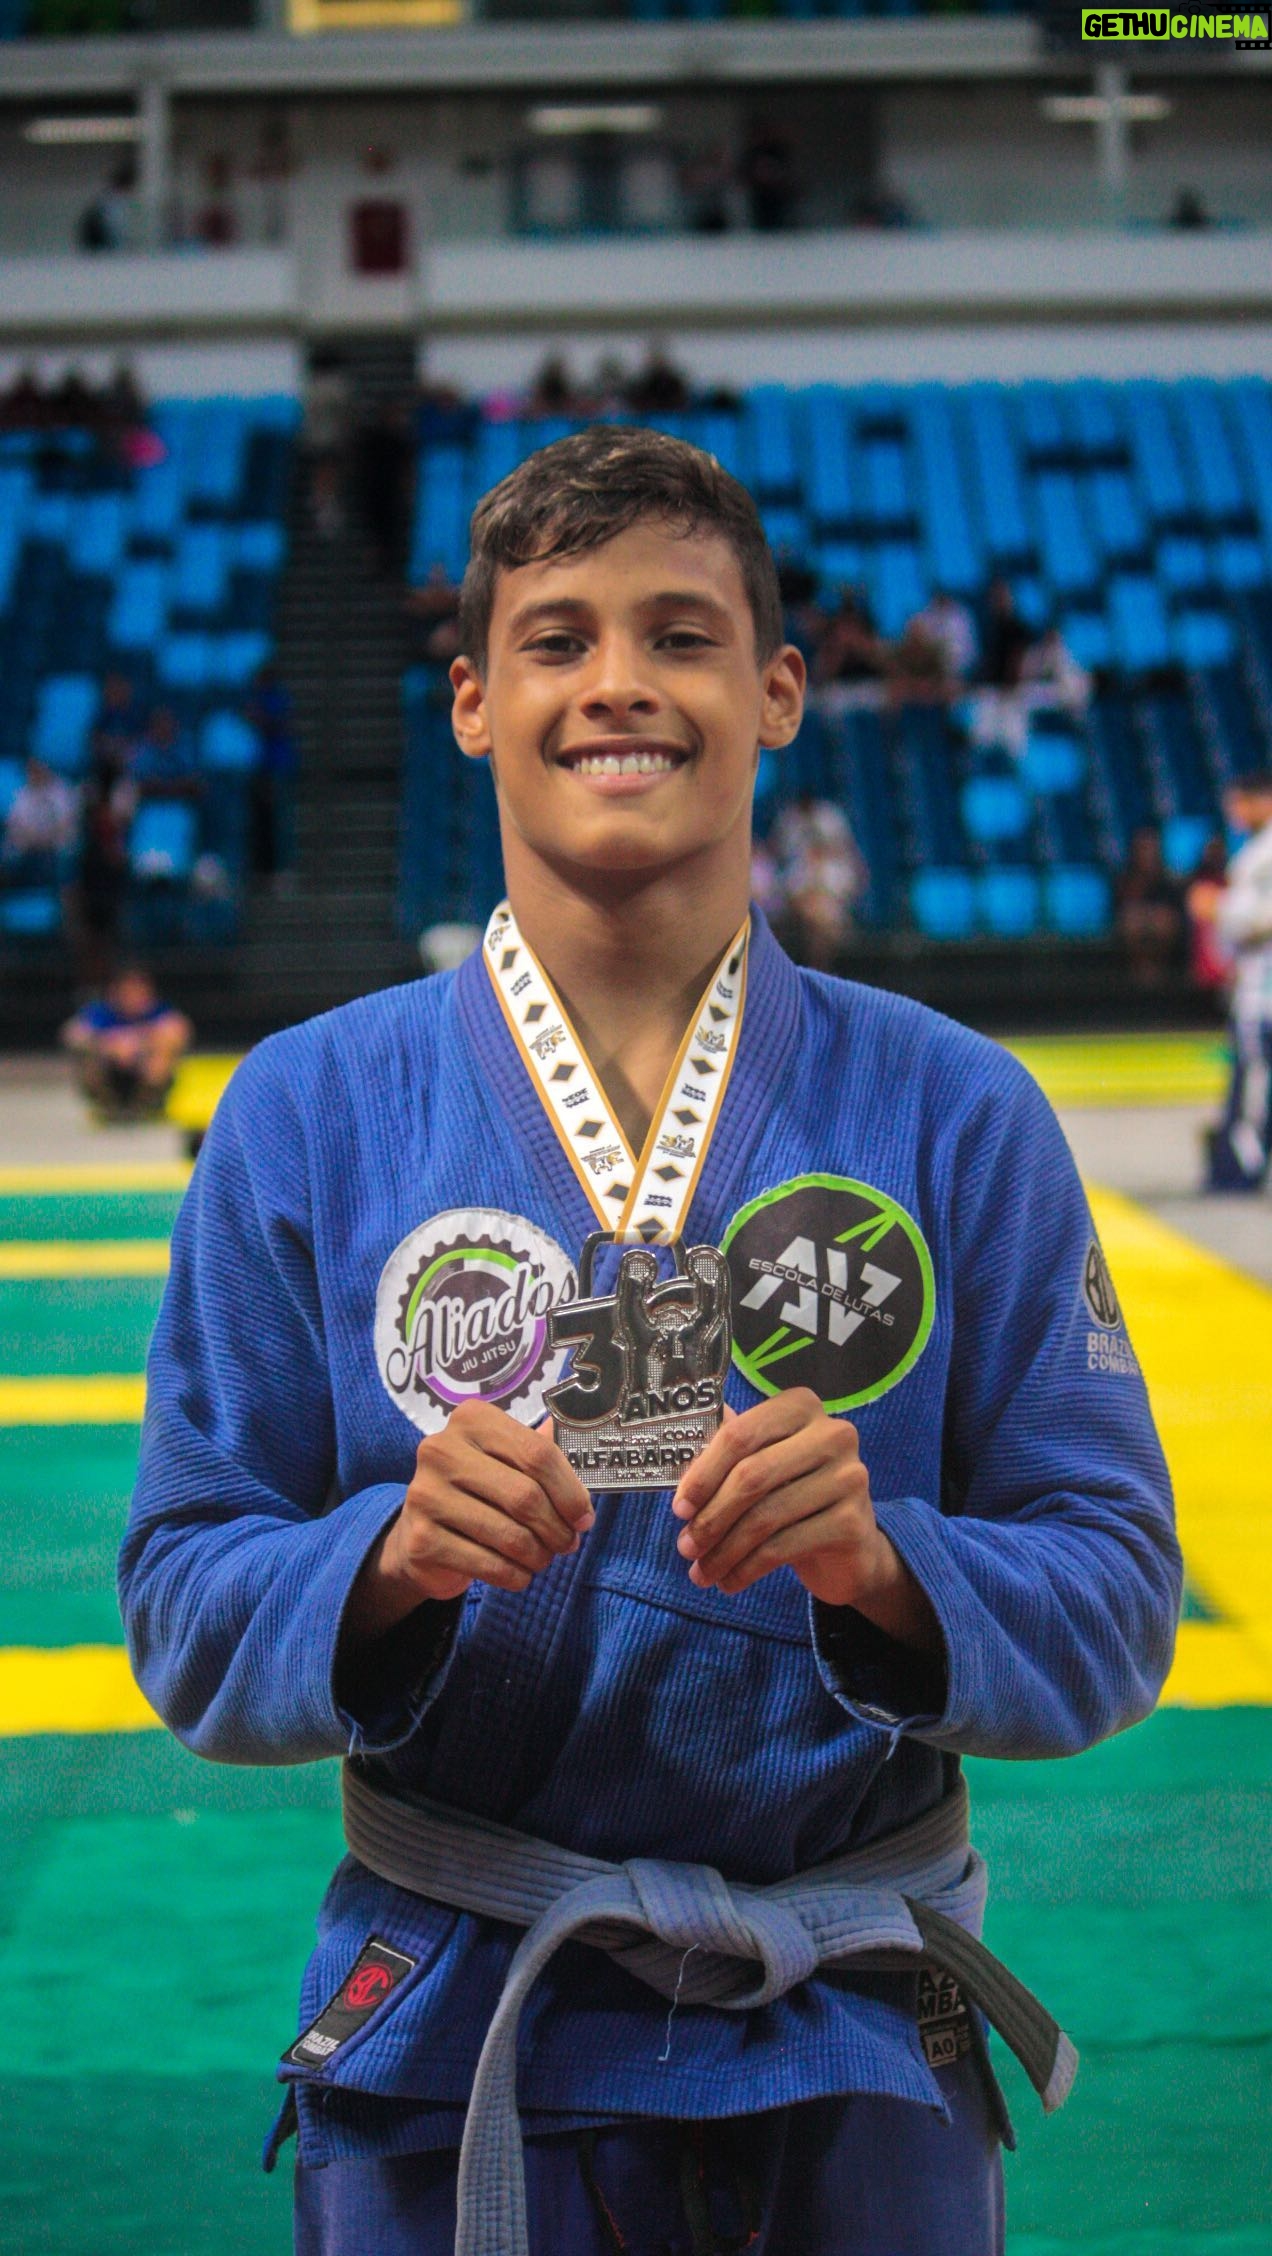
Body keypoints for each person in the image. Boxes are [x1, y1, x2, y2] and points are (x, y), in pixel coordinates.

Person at [119, 427, 1179, 2256]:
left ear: (778, 693)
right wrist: (384, 1565)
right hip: (459, 2020)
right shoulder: (302, 1113)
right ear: (471, 703)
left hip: (853, 2034)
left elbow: (1117, 1588)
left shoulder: (956, 1111)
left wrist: (886, 1572)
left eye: (681, 636)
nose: (619, 683)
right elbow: (183, 1601)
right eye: (558, 640)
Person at [1206, 771, 1272, 1191]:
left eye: (1240, 803)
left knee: (1254, 1082)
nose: (1234, 813)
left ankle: (1241, 1169)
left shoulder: (1264, 854)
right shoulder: (1254, 851)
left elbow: (1261, 919)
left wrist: (1218, 910)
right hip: (1255, 985)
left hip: (1263, 993)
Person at [61, 964, 192, 1123]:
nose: (133, 996)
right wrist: (107, 1045)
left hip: (143, 1071)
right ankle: (109, 1108)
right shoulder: (102, 1012)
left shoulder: (158, 1011)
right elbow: (73, 1034)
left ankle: (145, 1106)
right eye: (127, 991)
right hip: (111, 1071)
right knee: (88, 1061)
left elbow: (179, 1030)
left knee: (162, 1057)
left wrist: (140, 1043)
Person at [1115, 826, 1185, 991]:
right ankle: (1140, 968)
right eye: (1144, 849)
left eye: (1152, 848)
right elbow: (1121, 910)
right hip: (1137, 922)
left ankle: (1158, 969)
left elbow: (1174, 911)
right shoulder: (1125, 881)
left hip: (1162, 924)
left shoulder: (1170, 882)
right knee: (1133, 922)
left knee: (1163, 922)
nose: (1148, 854)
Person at [1, 757, 79, 892]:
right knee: (10, 854)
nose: (35, 774)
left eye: (38, 770)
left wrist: (43, 839)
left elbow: (65, 825)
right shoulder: (22, 794)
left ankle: (62, 899)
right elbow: (15, 827)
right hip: (28, 847)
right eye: (31, 771)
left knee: (65, 857)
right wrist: (34, 839)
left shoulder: (62, 791)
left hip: (56, 848)